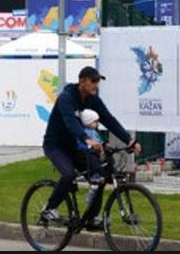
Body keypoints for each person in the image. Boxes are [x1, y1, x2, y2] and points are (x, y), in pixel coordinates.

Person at [41, 67, 141, 230]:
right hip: (55, 146)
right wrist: (87, 139)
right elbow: (70, 122)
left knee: (99, 176)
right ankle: (49, 209)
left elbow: (109, 120)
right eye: (93, 81)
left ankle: (91, 218)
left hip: (74, 147)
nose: (96, 85)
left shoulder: (93, 99)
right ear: (82, 82)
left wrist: (129, 140)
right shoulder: (66, 98)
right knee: (68, 174)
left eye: (97, 81)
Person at [77, 109, 105, 185]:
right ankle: (94, 174)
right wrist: (90, 147)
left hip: (97, 150)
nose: (97, 124)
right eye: (95, 122)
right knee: (92, 157)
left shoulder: (94, 131)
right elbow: (81, 144)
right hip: (87, 151)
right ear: (88, 122)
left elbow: (99, 140)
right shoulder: (84, 132)